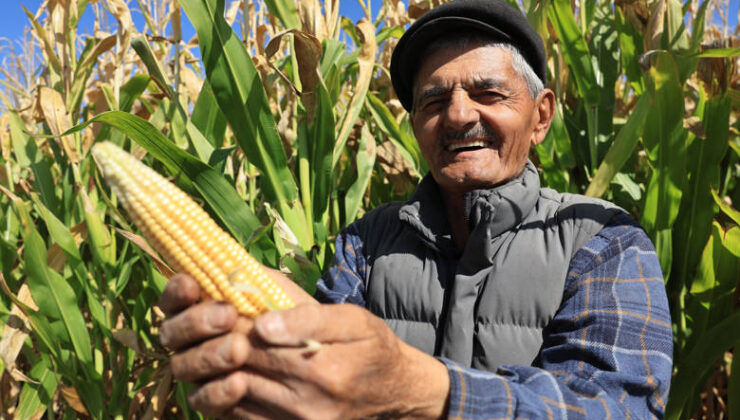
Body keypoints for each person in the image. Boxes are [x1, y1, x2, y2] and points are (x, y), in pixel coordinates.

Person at [158, 0, 673, 418]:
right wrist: (275, 363)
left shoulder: (604, 241)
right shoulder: (364, 244)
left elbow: (612, 405)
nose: (457, 115)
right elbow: (324, 386)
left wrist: (422, 389)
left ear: (540, 118)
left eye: (488, 93)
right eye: (432, 102)